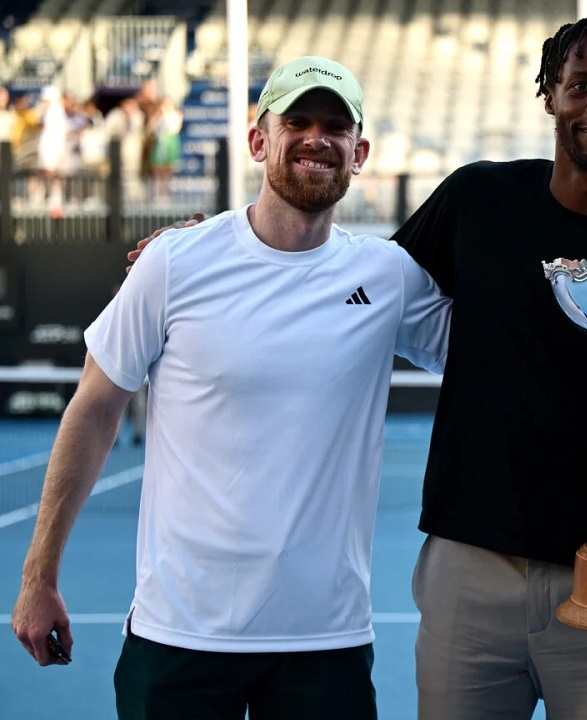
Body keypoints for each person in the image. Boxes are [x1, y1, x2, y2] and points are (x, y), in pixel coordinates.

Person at [11, 56, 451, 720]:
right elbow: (95, 409)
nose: (316, 137)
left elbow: (493, 354)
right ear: (257, 141)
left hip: (325, 644)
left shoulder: (387, 275)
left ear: (359, 153)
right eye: (296, 120)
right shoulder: (172, 263)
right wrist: (37, 576)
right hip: (177, 638)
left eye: (335, 126)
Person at [389, 15, 587, 720]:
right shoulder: (476, 199)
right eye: (581, 85)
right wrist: (225, 247)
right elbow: (359, 287)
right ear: (549, 96)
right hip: (468, 567)